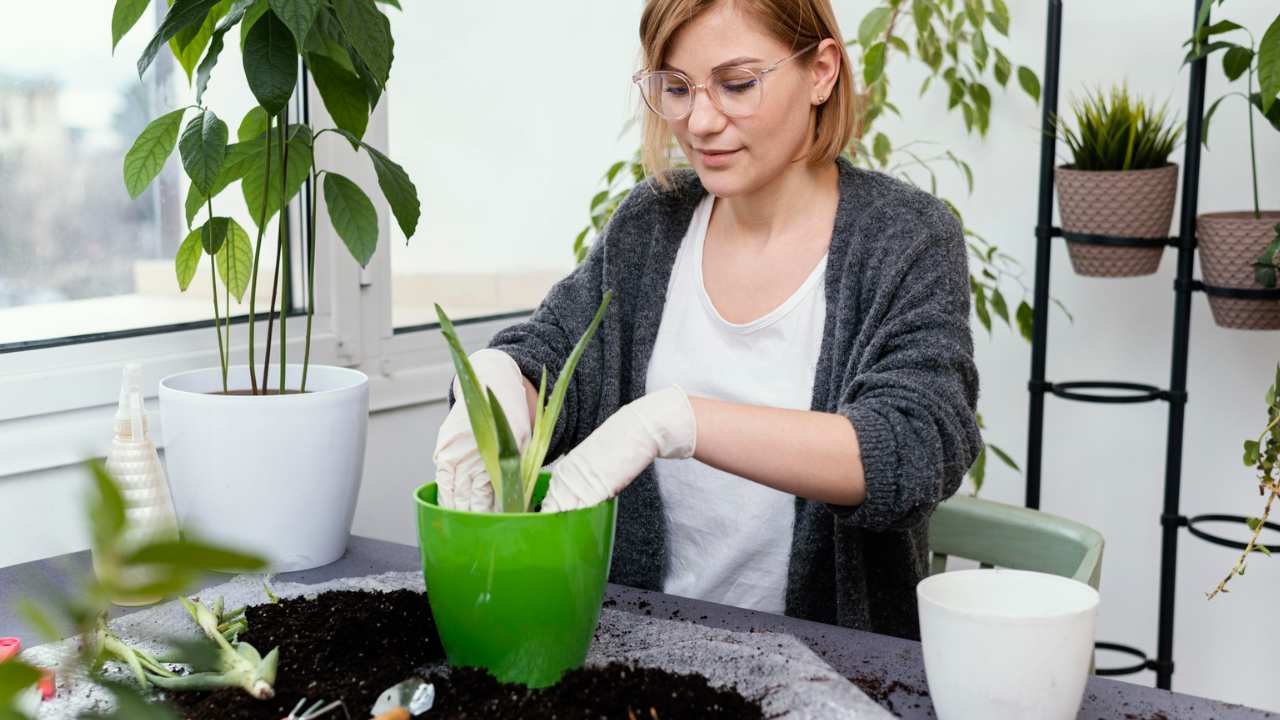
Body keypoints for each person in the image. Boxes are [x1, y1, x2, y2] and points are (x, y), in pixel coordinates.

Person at [432, 0, 982, 640]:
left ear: (821, 72)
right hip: (645, 652)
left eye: (738, 84)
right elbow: (552, 355)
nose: (699, 121)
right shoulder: (652, 223)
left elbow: (914, 448)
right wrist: (499, 380)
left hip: (827, 669)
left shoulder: (906, 238)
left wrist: (681, 420)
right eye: (677, 86)